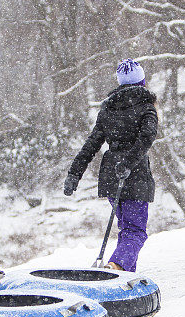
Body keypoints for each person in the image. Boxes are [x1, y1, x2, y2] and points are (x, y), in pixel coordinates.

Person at [64, 58, 158, 272]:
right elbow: (147, 137)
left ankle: (123, 279)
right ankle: (115, 266)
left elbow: (92, 144)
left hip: (111, 173)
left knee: (126, 228)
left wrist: (74, 173)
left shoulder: (108, 109)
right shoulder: (146, 108)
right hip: (134, 174)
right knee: (135, 231)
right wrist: (129, 162)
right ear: (142, 81)